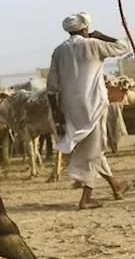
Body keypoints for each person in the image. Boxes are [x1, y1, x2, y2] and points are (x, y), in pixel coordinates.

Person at [46, 12, 130, 210]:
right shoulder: (93, 44)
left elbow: (51, 86)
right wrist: (102, 37)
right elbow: (123, 47)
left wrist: (56, 111)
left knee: (92, 146)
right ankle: (86, 197)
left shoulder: (59, 51)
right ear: (85, 29)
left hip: (70, 108)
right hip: (94, 104)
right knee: (94, 148)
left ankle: (115, 185)